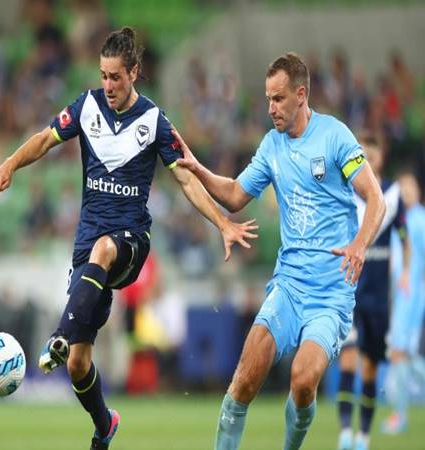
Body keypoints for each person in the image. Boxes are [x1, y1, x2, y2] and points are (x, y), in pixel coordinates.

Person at [0, 27, 257, 450]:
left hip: (129, 242)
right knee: (77, 364)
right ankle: (104, 424)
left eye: (116, 77)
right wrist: (9, 165)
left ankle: (58, 333)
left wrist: (222, 223)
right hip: (87, 247)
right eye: (103, 76)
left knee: (104, 250)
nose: (108, 85)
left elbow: (185, 178)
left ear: (134, 72)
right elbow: (44, 140)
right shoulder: (86, 107)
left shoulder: (155, 121)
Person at [173, 52, 386, 450]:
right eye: (268, 99)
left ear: (301, 95)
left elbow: (376, 199)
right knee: (245, 377)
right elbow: (236, 195)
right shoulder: (271, 146)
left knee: (304, 382)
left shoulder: (335, 136)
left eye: (278, 99)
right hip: (288, 286)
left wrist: (359, 246)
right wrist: (199, 169)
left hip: (330, 294)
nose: (270, 108)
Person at [335, 136, 410, 450]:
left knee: (369, 365)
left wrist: (405, 270)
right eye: (363, 153)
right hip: (350, 287)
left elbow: (404, 236)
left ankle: (363, 436)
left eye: (372, 151)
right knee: (349, 359)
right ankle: (344, 433)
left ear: (381, 156)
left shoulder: (392, 195)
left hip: (379, 293)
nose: (369, 157)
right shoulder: (348, 193)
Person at [381, 170, 425, 434]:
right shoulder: (401, 220)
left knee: (399, 353)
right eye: (402, 187)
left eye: (410, 186)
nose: (406, 192)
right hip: (399, 296)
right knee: (404, 354)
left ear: (418, 190)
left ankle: (399, 416)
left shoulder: (419, 220)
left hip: (413, 297)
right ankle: (400, 415)